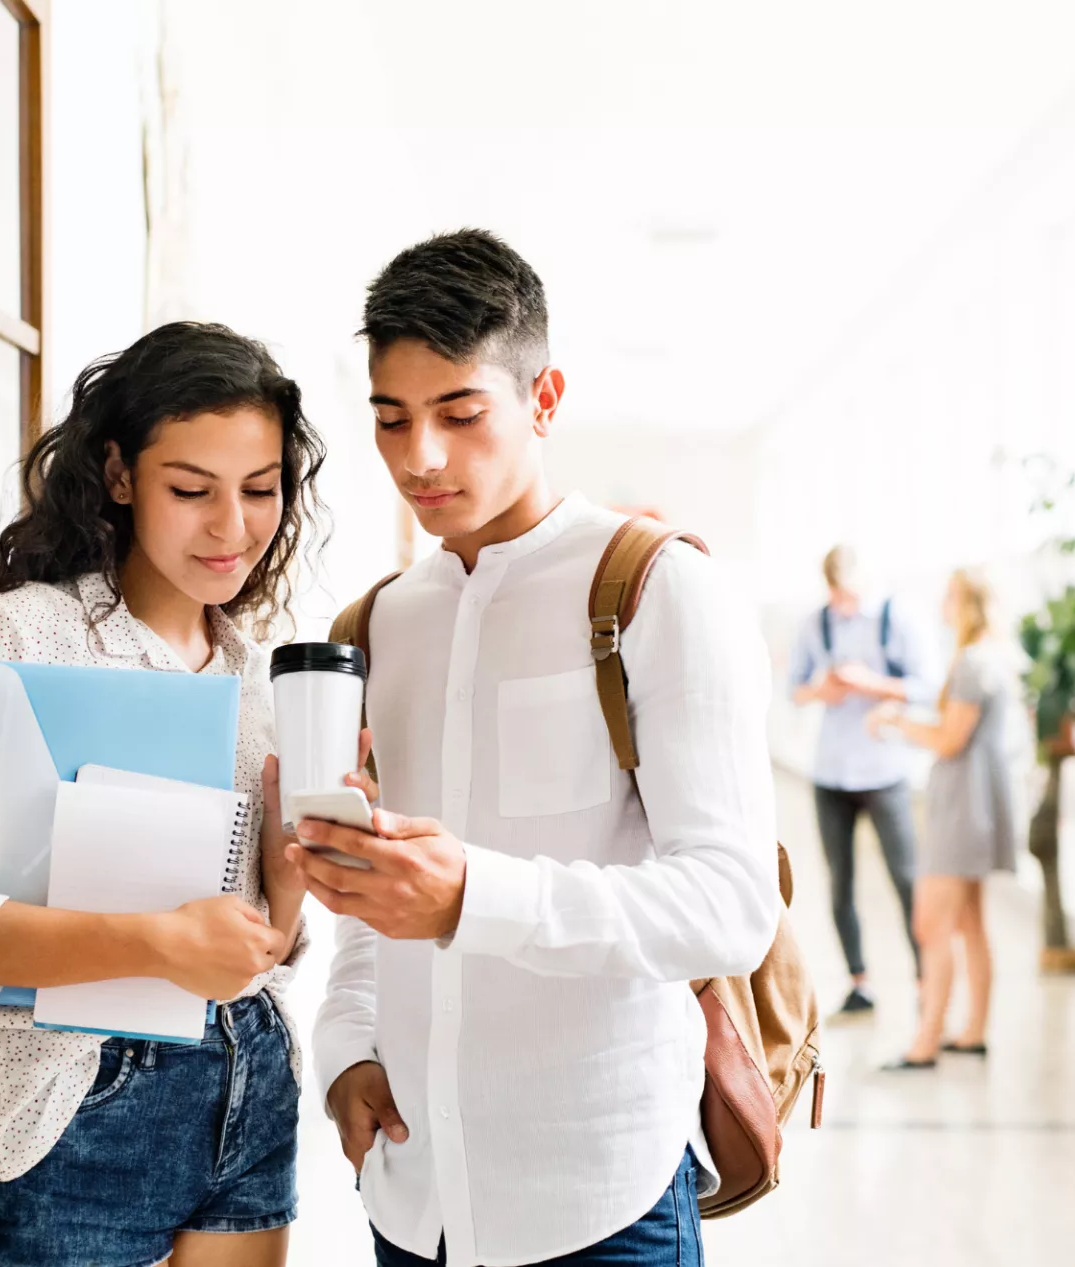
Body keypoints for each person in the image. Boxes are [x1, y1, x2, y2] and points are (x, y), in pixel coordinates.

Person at [288, 230, 780, 1267]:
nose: (420, 457)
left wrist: (475, 895)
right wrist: (347, 1050)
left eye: (461, 414)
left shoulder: (657, 590)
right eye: (392, 419)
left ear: (543, 398)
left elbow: (730, 906)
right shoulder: (374, 625)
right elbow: (376, 898)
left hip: (601, 1193)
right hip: (413, 1196)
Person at [0, 323, 325, 1267]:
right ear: (118, 475)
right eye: (191, 490)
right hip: (73, 1106)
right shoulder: (19, 636)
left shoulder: (259, 674)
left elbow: (263, 946)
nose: (232, 527)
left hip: (249, 1074)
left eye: (261, 490)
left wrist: (295, 874)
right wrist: (153, 945)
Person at [867, 568, 1022, 1069]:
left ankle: (925, 1043)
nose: (942, 603)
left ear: (969, 603)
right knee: (971, 922)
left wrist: (896, 722)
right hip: (973, 806)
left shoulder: (973, 662)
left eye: (950, 595)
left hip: (961, 810)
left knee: (930, 924)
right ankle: (972, 1031)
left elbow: (949, 740)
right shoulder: (990, 658)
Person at [787, 544, 935, 1018]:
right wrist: (822, 690)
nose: (841, 605)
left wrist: (872, 684)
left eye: (848, 595)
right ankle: (858, 983)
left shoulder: (898, 618)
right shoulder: (816, 624)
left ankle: (927, 980)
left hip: (885, 770)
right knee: (840, 882)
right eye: (834, 595)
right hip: (831, 772)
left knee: (906, 879)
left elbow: (928, 686)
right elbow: (795, 688)